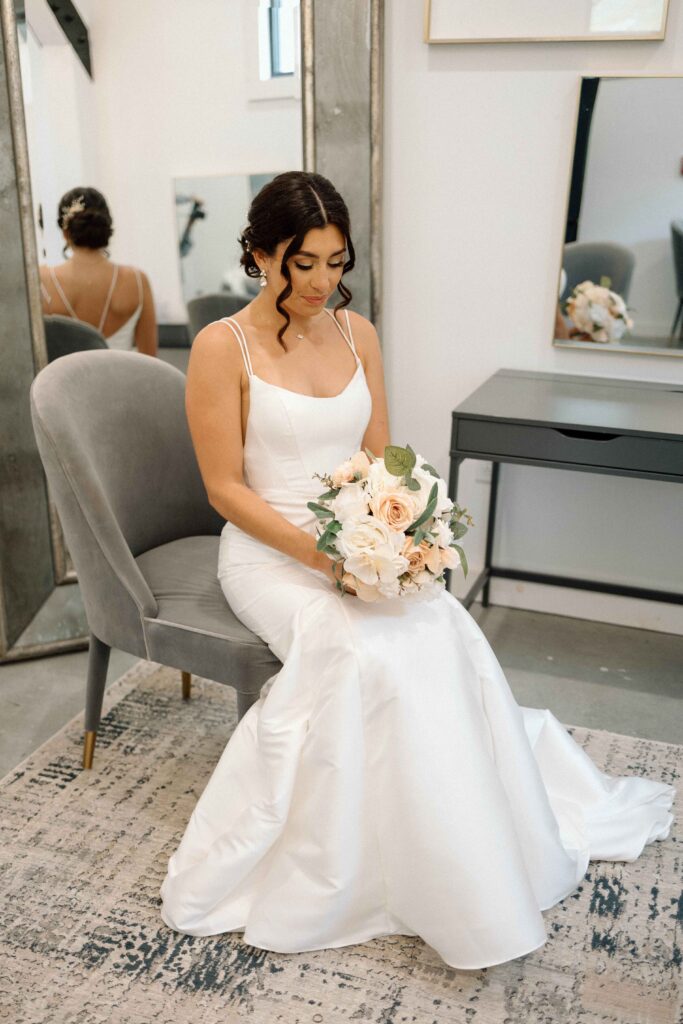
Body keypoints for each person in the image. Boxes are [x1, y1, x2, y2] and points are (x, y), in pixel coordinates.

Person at [159, 171, 675, 969]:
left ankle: (455, 842)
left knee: (442, 631)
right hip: (269, 551)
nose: (322, 283)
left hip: (359, 540)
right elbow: (225, 489)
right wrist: (324, 559)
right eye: (303, 263)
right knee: (353, 652)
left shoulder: (356, 333)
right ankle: (356, 864)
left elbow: (378, 459)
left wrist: (402, 536)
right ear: (260, 255)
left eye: (336, 262)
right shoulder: (219, 346)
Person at [39, 187, 157, 356]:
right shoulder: (137, 281)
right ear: (106, 227)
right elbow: (150, 360)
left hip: (62, 382)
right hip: (120, 381)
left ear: (65, 232)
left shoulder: (43, 279)